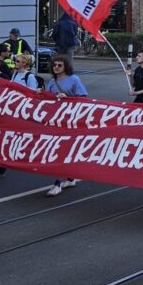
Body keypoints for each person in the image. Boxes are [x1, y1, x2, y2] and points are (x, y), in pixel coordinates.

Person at [44, 55, 88, 196]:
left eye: (60, 65)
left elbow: (83, 98)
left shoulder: (74, 79)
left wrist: (68, 98)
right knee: (56, 150)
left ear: (66, 67)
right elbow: (48, 99)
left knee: (60, 151)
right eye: (54, 64)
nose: (56, 67)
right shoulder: (51, 82)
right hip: (55, 119)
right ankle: (69, 178)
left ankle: (57, 183)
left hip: (70, 120)